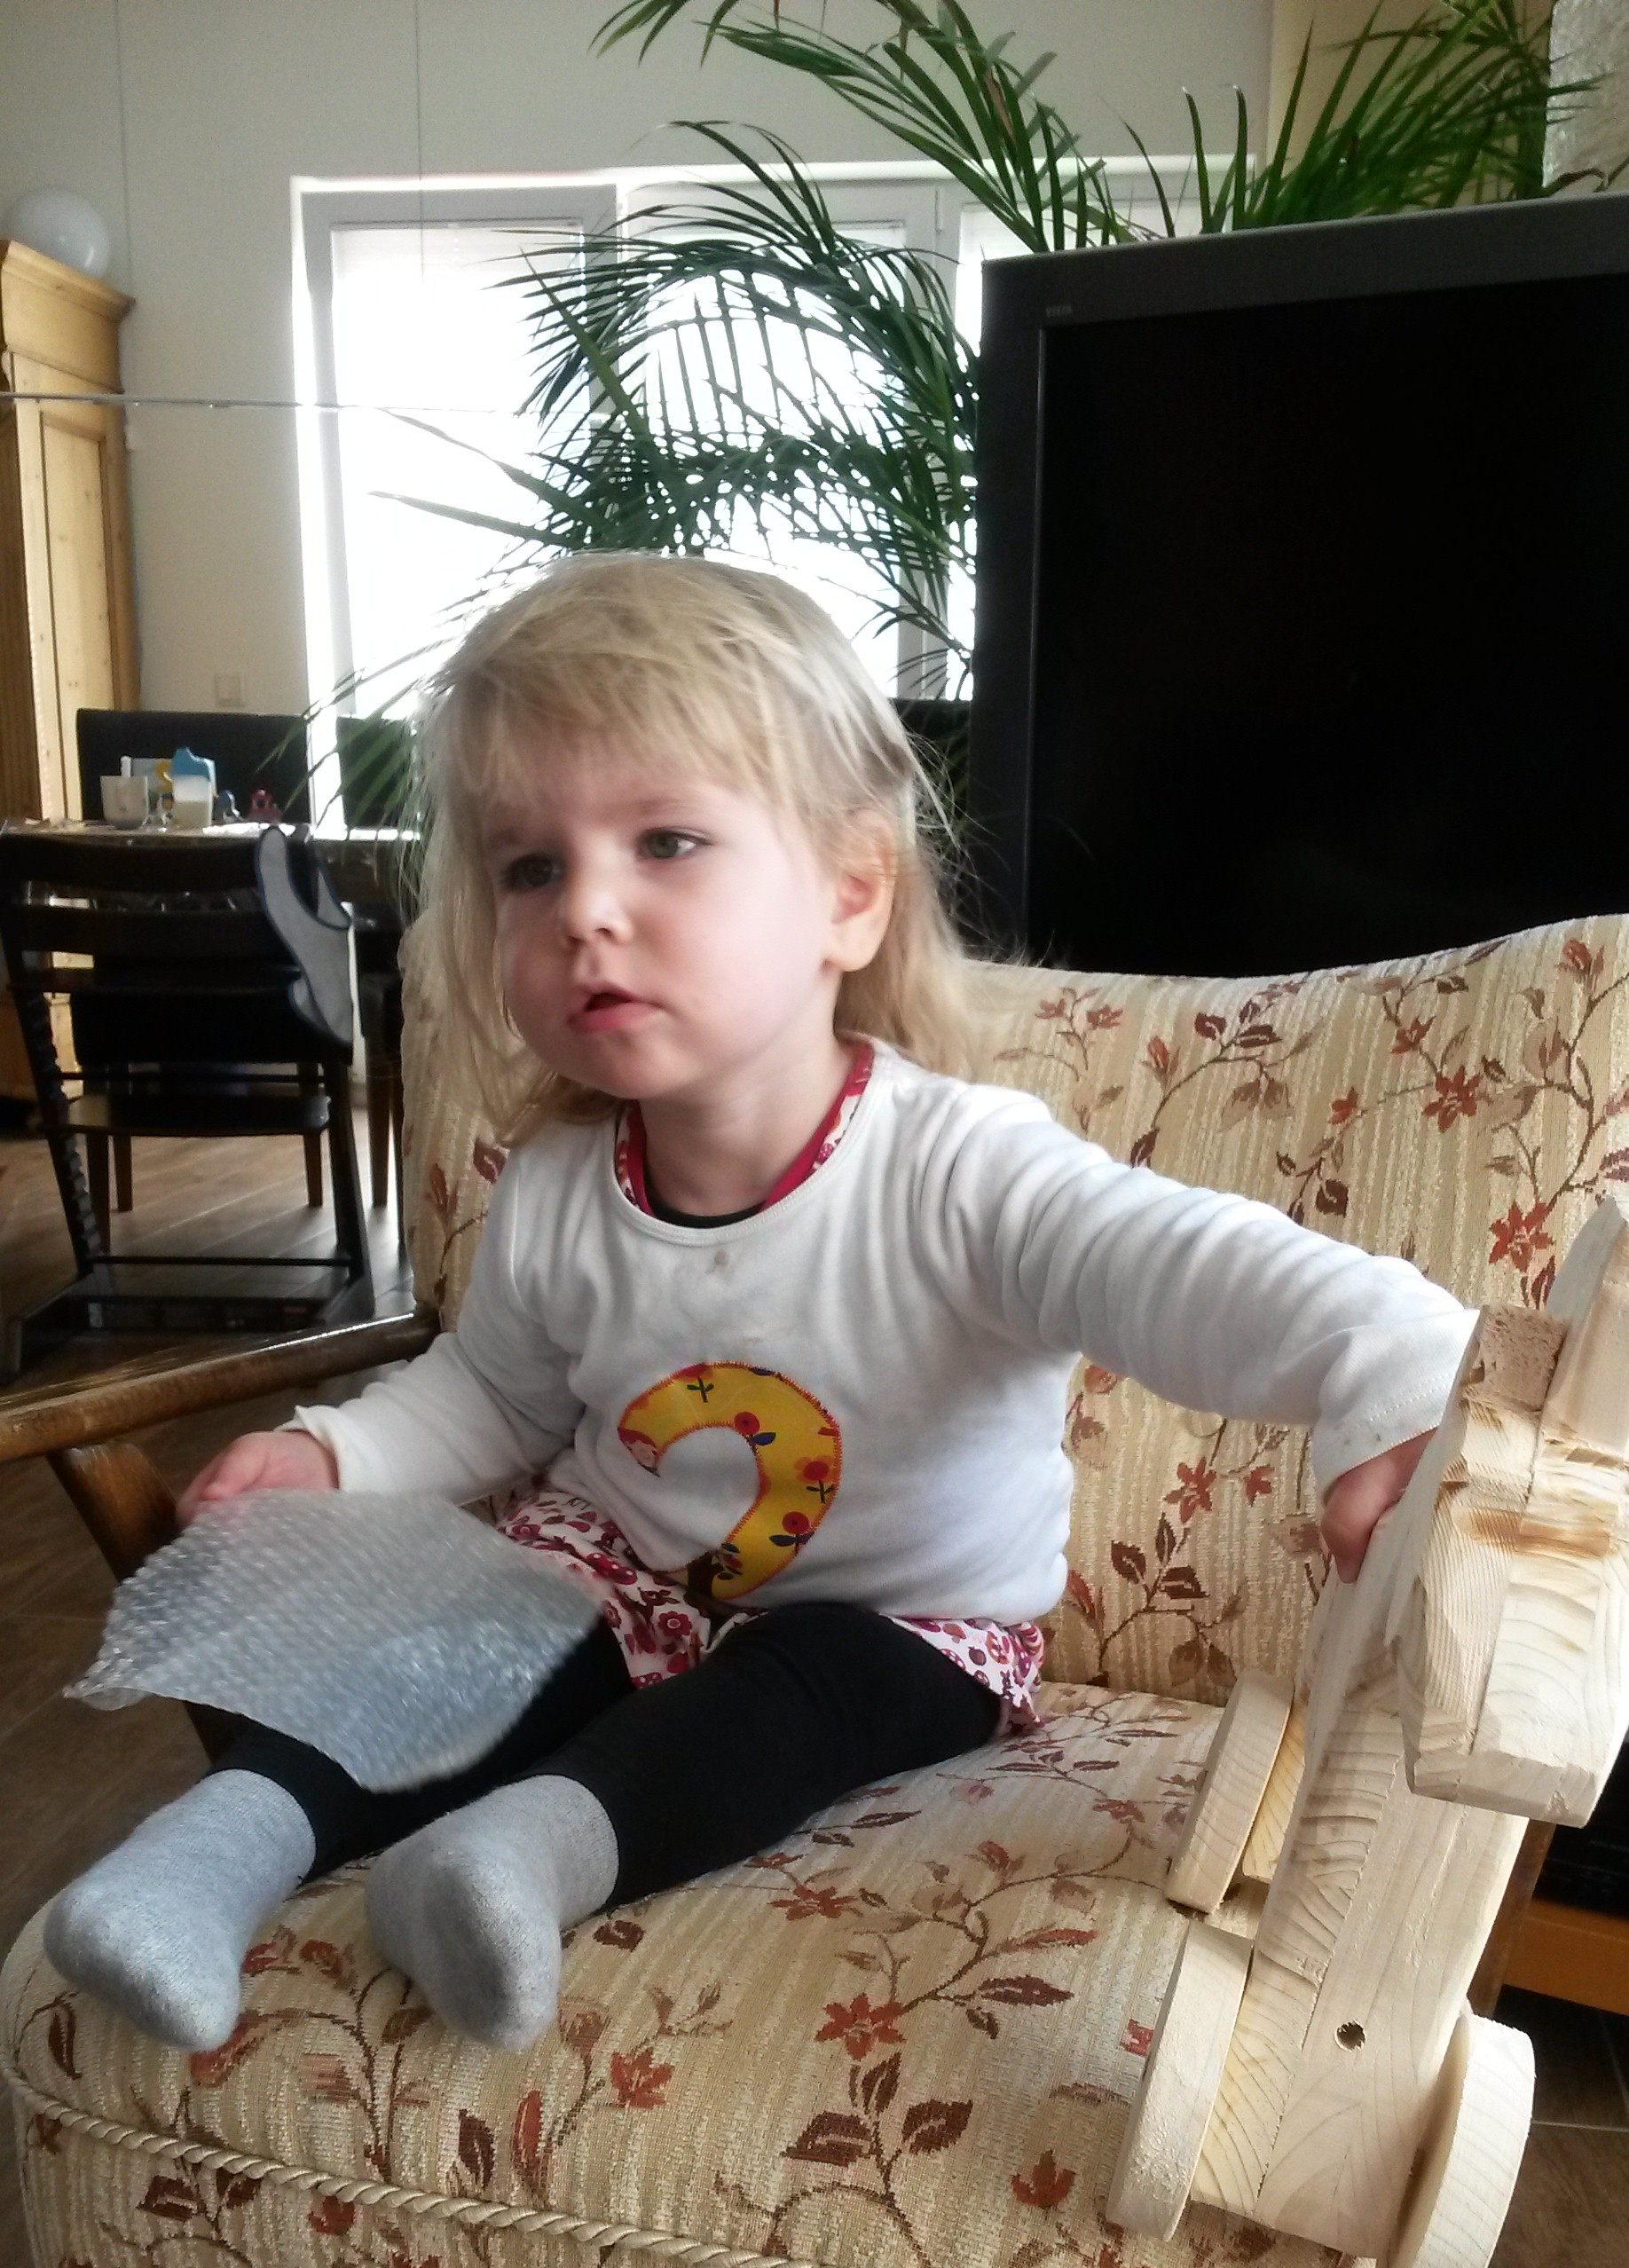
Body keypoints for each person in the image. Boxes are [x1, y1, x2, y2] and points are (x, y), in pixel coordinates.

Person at [43, 555, 1476, 2059]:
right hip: (619, 1565)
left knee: (793, 1703)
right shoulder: (559, 1184)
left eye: (666, 841)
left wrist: (1382, 1355)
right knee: (452, 1640)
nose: (587, 909)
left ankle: (510, 1861)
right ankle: (200, 1861)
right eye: (530, 868)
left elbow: (1177, 1268)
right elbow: (496, 1395)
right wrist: (337, 1452)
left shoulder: (961, 1171)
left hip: (908, 1624)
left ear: (851, 893)